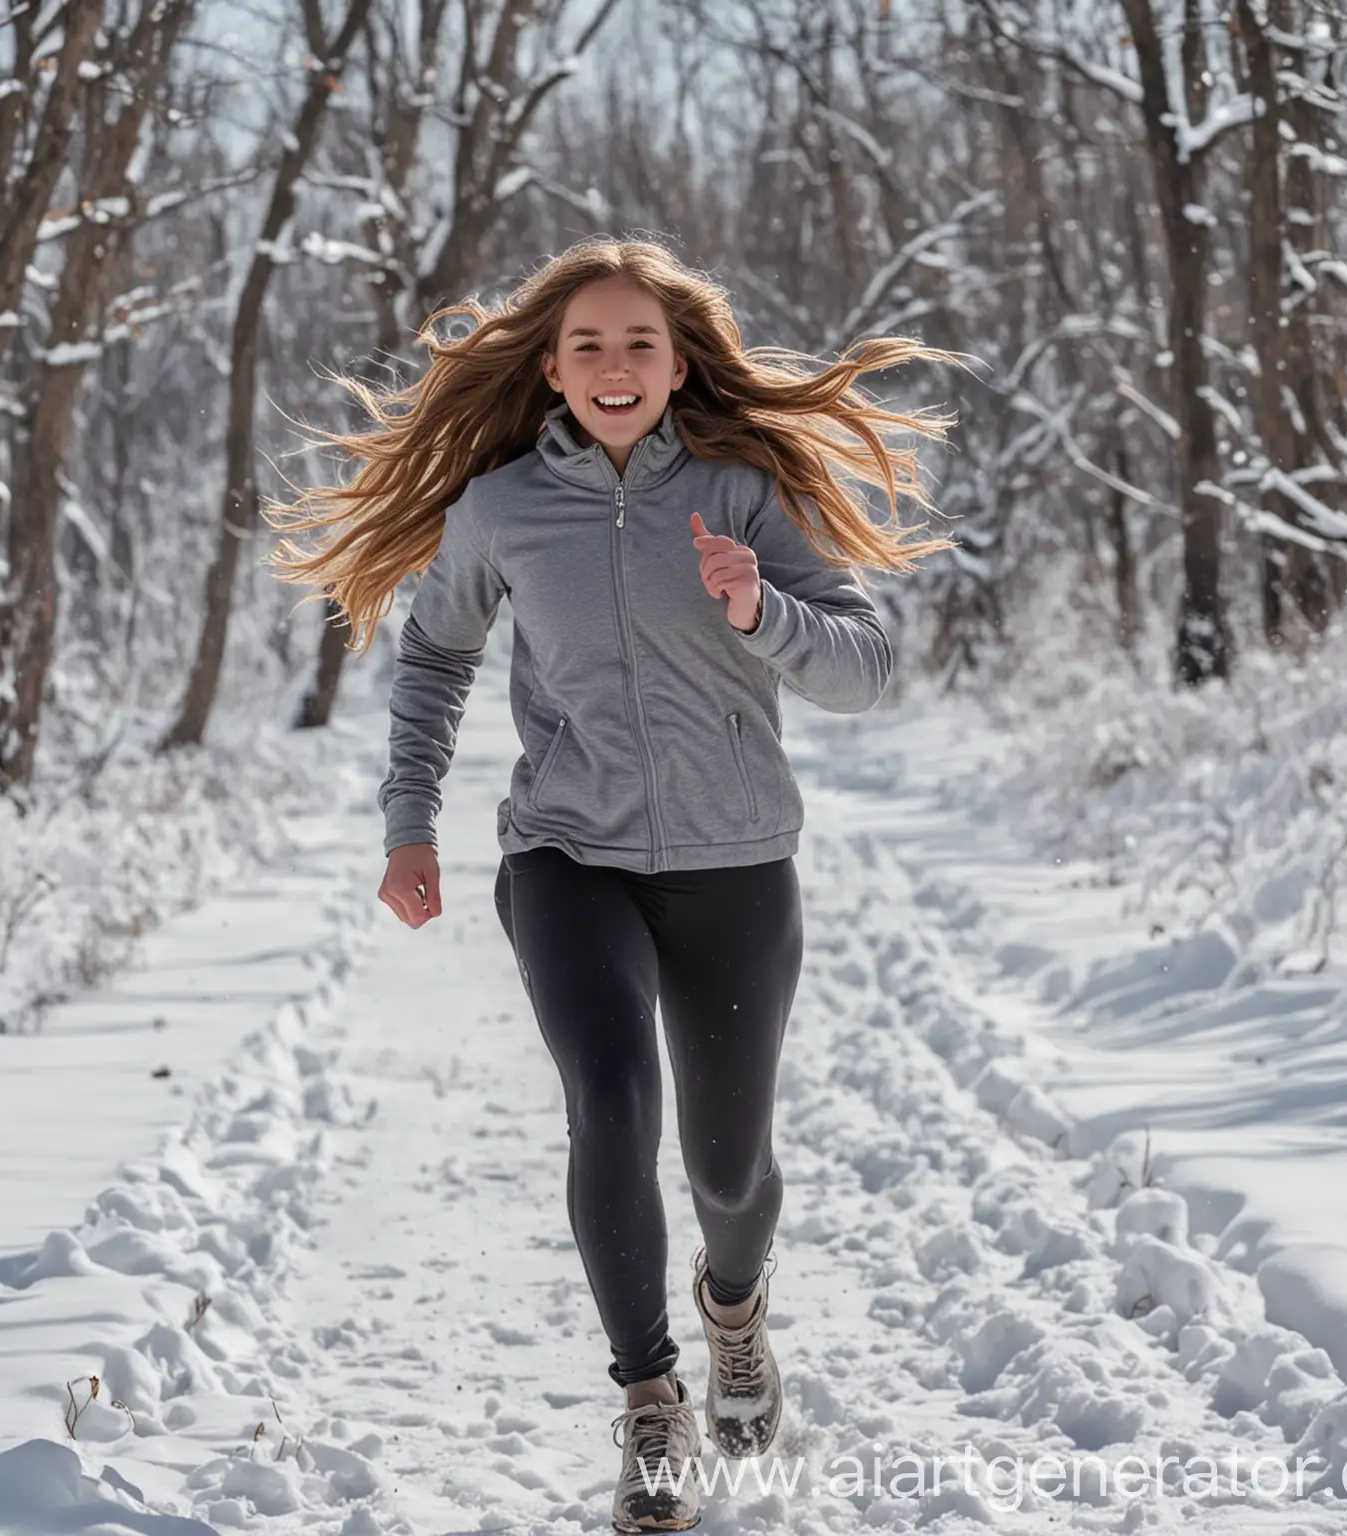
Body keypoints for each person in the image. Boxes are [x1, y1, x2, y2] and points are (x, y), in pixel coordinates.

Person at [266, 237, 960, 1532]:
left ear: (681, 358)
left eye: (640, 341)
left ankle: (735, 1315)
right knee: (612, 1102)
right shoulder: (505, 507)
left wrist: (765, 616)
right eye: (587, 344)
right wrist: (407, 826)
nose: (615, 364)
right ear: (550, 367)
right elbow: (432, 664)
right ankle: (651, 1406)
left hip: (736, 865)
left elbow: (865, 671)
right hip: (565, 857)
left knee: (729, 1170)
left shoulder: (751, 493)